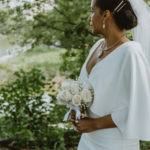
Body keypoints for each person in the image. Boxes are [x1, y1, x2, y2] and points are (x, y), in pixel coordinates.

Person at [69, 0, 150, 149]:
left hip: (114, 143)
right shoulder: (97, 46)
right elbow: (84, 87)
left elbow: (142, 106)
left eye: (93, 11)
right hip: (88, 141)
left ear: (106, 15)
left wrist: (95, 124)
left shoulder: (131, 52)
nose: (89, 18)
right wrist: (76, 109)